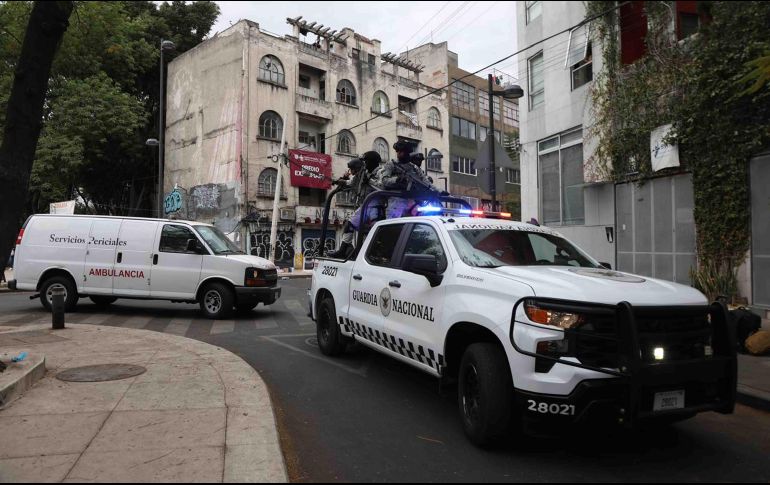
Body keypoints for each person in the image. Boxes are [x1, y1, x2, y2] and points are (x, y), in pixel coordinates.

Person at [327, 151, 384, 259]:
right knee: (349, 225)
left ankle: (374, 254)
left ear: (372, 162)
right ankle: (342, 250)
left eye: (366, 161)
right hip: (364, 205)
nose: (364, 164)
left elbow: (382, 186)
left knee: (375, 232)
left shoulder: (381, 172)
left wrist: (370, 181)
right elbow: (352, 183)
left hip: (376, 206)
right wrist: (340, 181)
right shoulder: (364, 173)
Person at [376, 140, 446, 219]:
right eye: (397, 151)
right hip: (396, 199)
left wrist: (439, 191)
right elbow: (384, 180)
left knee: (423, 220)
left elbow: (426, 183)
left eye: (401, 151)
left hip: (411, 200)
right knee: (393, 225)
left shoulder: (414, 168)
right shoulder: (391, 165)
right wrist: (397, 180)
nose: (399, 153)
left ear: (407, 152)